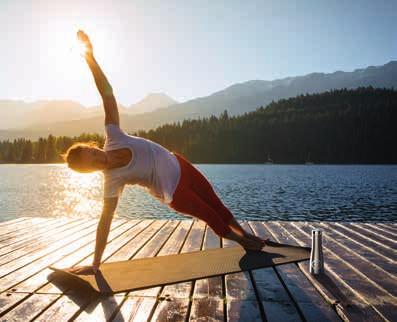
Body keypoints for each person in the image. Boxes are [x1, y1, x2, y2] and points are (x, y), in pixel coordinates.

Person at [65, 30, 268, 274]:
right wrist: (96, 263)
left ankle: (246, 236)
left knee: (218, 206)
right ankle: (245, 243)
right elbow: (104, 222)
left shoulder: (114, 136)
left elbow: (106, 93)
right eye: (94, 163)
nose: (100, 158)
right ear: (91, 171)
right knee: (210, 216)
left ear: (93, 146)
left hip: (181, 165)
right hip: (174, 192)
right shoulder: (113, 181)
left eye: (94, 153)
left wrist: (90, 57)